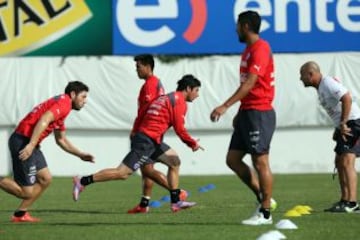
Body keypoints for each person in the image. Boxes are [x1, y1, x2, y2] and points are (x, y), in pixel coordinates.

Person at [73, 74, 203, 212]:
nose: (197, 95)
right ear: (188, 88)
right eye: (196, 90)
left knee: (174, 161)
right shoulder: (178, 101)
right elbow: (180, 128)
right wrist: (192, 143)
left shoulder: (166, 97)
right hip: (146, 141)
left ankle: (175, 201)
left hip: (151, 140)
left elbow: (144, 113)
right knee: (122, 173)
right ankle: (82, 181)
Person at [210, 10, 276, 225]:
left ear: (246, 26)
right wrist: (240, 113)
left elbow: (250, 83)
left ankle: (265, 213)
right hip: (248, 112)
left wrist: (225, 106)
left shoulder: (260, 48)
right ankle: (263, 197)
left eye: (238, 25)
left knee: (260, 160)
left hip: (259, 112)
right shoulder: (248, 50)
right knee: (232, 159)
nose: (236, 29)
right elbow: (247, 86)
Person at [0, 81, 94, 222]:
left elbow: (61, 140)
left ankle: (20, 215)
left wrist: (80, 154)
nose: (85, 101)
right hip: (24, 141)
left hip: (30, 142)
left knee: (45, 179)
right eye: (83, 96)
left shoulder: (62, 106)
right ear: (73, 94)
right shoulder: (64, 103)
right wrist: (31, 145)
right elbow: (44, 119)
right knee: (26, 192)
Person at [127, 54, 187, 214]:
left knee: (147, 170)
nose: (136, 70)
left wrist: (136, 130)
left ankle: (177, 193)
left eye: (138, 66)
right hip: (153, 132)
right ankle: (144, 204)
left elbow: (147, 111)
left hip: (147, 133)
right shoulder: (155, 83)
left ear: (148, 66)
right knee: (147, 170)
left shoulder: (150, 85)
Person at [300, 61, 360, 213]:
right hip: (346, 125)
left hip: (354, 123)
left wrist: (344, 123)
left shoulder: (327, 83)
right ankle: (345, 200)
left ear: (311, 74)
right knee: (339, 161)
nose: (301, 79)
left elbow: (346, 98)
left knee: (347, 161)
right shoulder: (321, 88)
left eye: (302, 76)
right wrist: (338, 128)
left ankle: (352, 203)